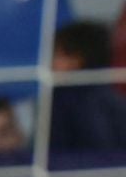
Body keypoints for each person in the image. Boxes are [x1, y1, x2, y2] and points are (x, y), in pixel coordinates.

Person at [45, 21, 126, 153]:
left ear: (76, 60)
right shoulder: (113, 97)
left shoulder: (64, 99)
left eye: (57, 55)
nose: (49, 63)